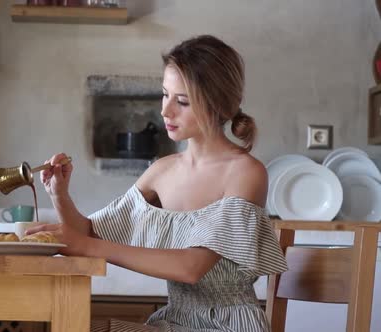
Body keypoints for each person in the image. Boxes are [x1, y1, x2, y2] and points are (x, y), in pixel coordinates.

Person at [27, 35, 288, 332]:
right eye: (165, 95)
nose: (166, 111)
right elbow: (87, 232)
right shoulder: (162, 170)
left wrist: (85, 245)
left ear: (218, 105)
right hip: (175, 321)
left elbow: (191, 268)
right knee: (76, 327)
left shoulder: (246, 172)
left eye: (183, 101)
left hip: (228, 325)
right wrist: (59, 194)